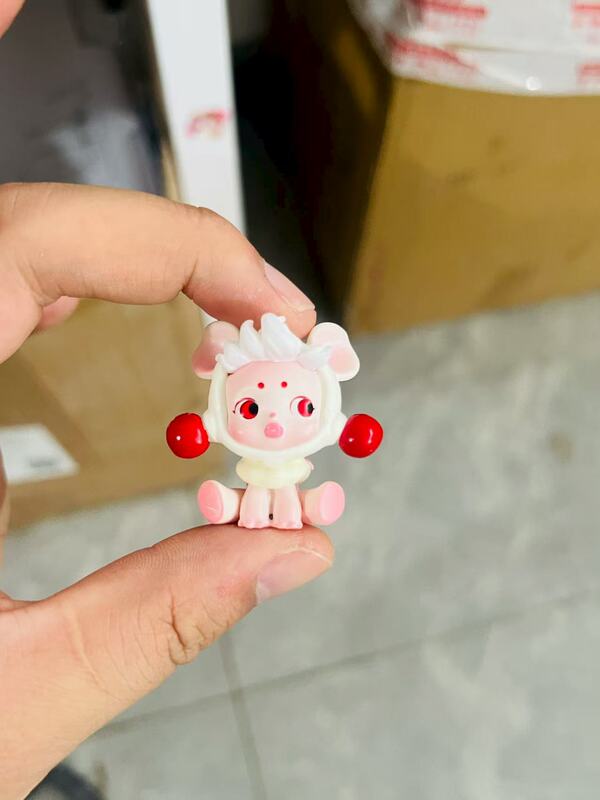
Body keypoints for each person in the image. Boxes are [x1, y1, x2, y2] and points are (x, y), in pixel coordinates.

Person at [0, 6, 333, 798]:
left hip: (280, 478)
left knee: (280, 501)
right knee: (260, 504)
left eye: (292, 409)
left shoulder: (304, 410)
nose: (275, 415)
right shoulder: (228, 399)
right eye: (255, 409)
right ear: (225, 405)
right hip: (255, 477)